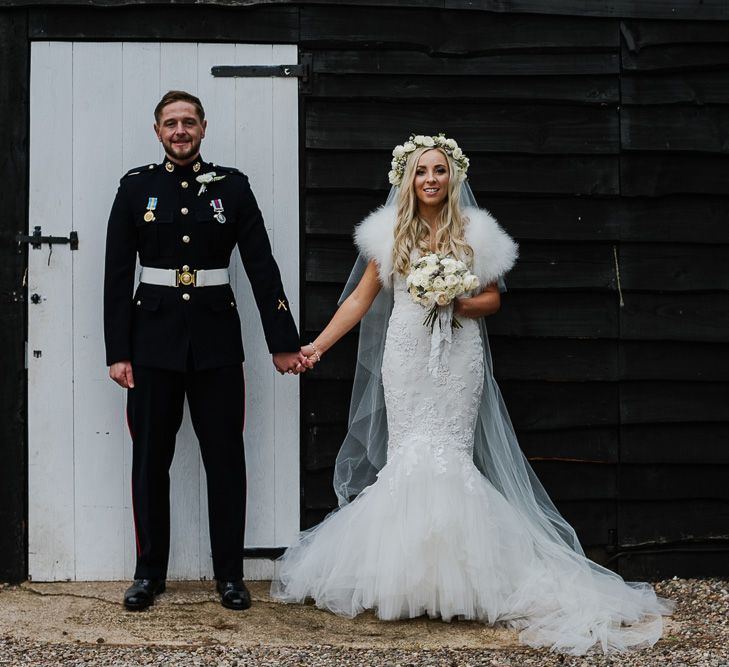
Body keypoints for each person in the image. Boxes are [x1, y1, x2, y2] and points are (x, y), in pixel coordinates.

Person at [271, 134, 673, 654]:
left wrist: (455, 300)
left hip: (458, 357)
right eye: (421, 171)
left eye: (439, 170)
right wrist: (317, 347)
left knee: (450, 454)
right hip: (409, 356)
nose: (431, 179)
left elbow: (492, 301)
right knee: (409, 453)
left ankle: (467, 580)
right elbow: (358, 301)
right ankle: (404, 581)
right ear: (408, 179)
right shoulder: (388, 233)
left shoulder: (475, 231)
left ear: (453, 177)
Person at [104, 90, 306, 612]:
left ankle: (230, 576)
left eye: (188, 122)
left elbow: (262, 268)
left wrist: (283, 343)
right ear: (157, 131)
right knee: (150, 461)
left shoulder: (233, 189)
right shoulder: (135, 188)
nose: (179, 131)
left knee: (225, 460)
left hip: (216, 344)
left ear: (203, 128)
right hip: (151, 345)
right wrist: (117, 351)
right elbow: (115, 274)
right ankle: (148, 573)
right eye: (170, 123)